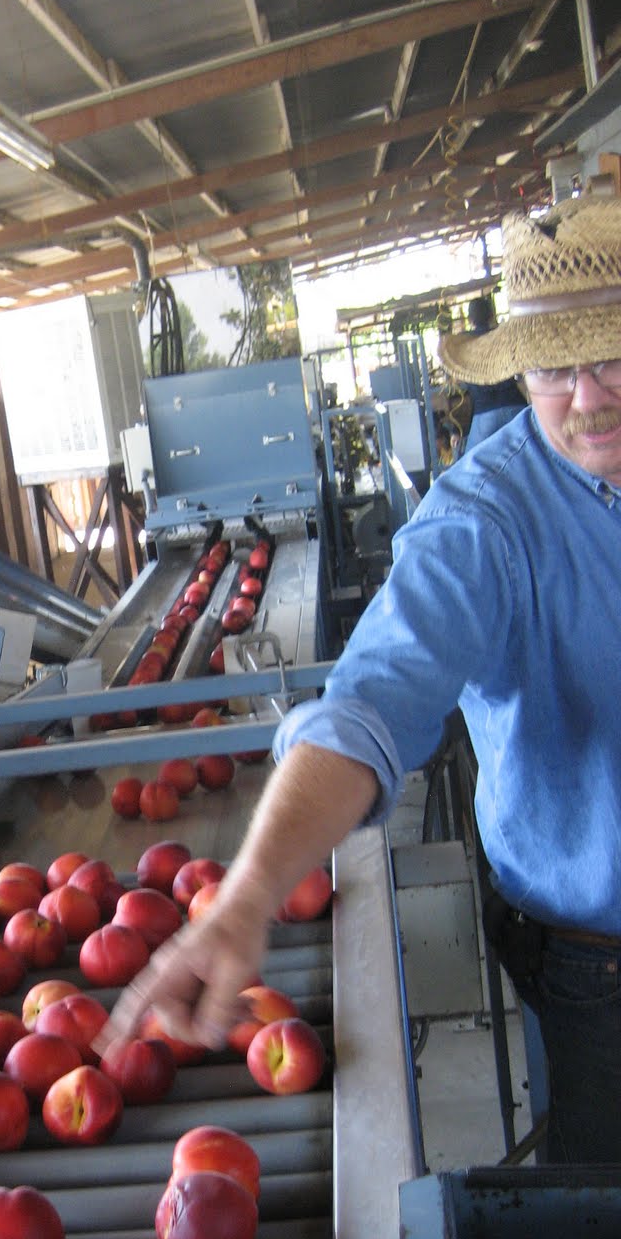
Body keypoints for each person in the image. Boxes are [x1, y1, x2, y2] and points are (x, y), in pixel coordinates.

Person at [109, 197, 621, 1165]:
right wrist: (249, 893)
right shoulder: (485, 521)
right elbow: (373, 704)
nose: (585, 397)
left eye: (609, 354)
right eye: (553, 366)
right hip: (601, 959)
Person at [456, 295, 527, 450]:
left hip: (484, 413)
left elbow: (457, 375)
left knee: (471, 465)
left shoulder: (465, 343)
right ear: (491, 315)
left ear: (470, 319)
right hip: (515, 405)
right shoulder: (504, 335)